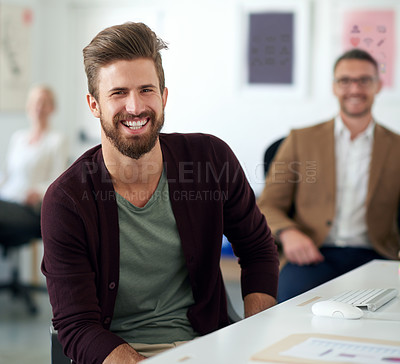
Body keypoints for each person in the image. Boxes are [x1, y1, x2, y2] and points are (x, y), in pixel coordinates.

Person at [41, 22, 279, 364]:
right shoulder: (66, 201)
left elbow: (257, 248)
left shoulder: (210, 158)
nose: (135, 107)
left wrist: (256, 337)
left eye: (146, 90)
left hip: (211, 348)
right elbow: (77, 326)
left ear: (164, 96)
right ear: (94, 105)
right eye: (118, 93)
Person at [257, 48, 400, 302]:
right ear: (334, 87)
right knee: (289, 308)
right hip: (313, 254)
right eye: (345, 81)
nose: (354, 89)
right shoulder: (300, 139)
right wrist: (289, 233)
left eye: (364, 80)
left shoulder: (396, 146)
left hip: (376, 256)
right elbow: (268, 203)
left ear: (378, 86)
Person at [0, 85, 68, 245]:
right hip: (7, 200)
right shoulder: (18, 138)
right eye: (35, 102)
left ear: (52, 108)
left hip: (31, 209)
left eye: (44, 103)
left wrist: (38, 192)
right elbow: (7, 174)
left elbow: (58, 182)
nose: (39, 107)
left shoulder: (57, 140)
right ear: (28, 106)